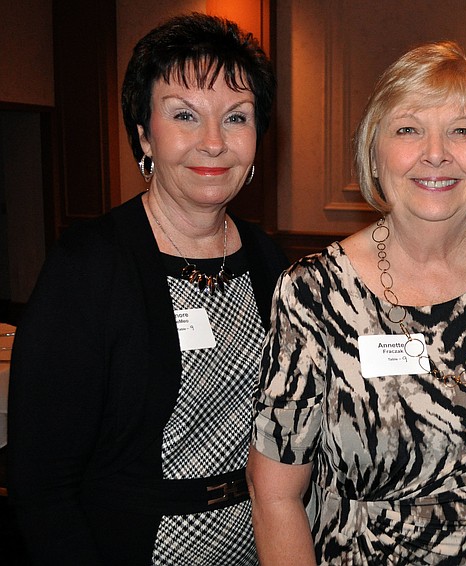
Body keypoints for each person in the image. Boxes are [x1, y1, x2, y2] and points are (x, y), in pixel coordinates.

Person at [247, 40, 466, 564]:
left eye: (462, 130)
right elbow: (275, 493)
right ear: (375, 154)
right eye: (408, 129)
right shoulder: (314, 293)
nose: (435, 153)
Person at [7, 13, 287, 565]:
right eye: (185, 115)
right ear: (144, 134)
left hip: (260, 540)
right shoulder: (89, 267)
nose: (213, 142)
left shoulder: (268, 261)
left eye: (236, 117)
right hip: (137, 546)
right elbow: (42, 482)